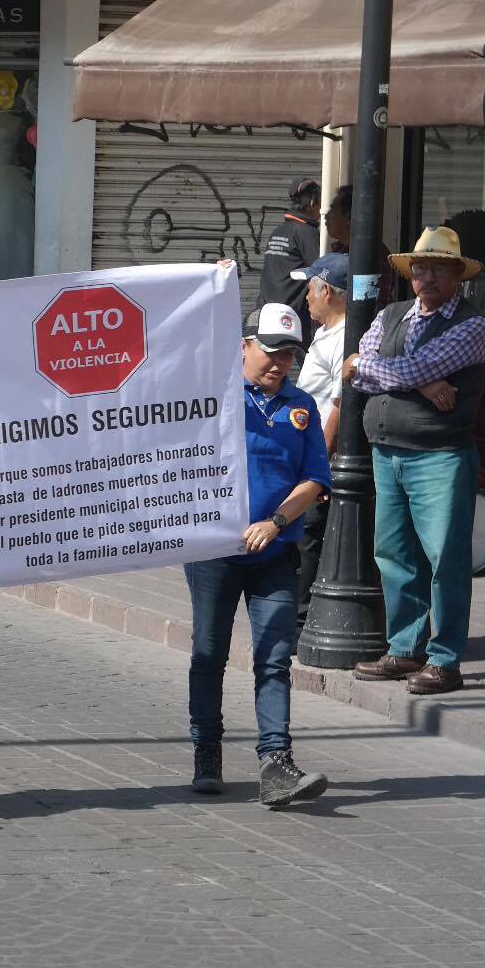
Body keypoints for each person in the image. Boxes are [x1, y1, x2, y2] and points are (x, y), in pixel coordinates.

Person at [181, 302, 331, 805]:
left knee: (274, 659)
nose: (278, 363)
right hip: (215, 552)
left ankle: (276, 764)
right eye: (270, 352)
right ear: (243, 347)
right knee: (209, 655)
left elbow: (314, 480)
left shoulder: (302, 407)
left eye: (288, 355)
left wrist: (276, 522)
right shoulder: (214, 397)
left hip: (275, 554)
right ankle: (207, 754)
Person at [348, 227, 485, 696]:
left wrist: (397, 373)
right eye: (420, 269)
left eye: (439, 269)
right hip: (388, 451)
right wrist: (424, 383)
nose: (427, 277)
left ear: (457, 276)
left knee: (444, 559)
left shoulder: (471, 325)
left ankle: (445, 660)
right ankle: (404, 649)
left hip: (440, 457)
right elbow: (354, 373)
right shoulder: (392, 313)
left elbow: (376, 367)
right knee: (394, 554)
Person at [291, 254, 349, 625]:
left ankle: (299, 620)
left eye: (310, 287)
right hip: (306, 452)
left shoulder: (344, 337)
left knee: (308, 534)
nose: (306, 296)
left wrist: (321, 461)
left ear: (325, 290)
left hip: (317, 457)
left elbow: (339, 406)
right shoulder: (326, 334)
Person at [254, 178, 321, 330]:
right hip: (290, 319)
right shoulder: (307, 233)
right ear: (312, 202)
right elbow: (321, 272)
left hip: (267, 312)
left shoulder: (279, 231)